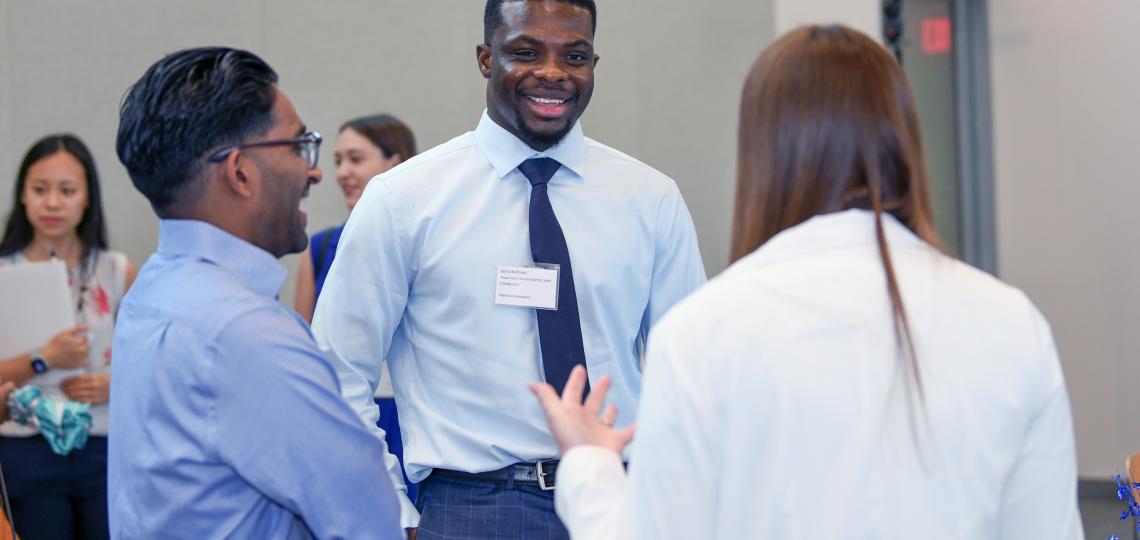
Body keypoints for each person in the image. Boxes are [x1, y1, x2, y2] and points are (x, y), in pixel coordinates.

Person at [530, 25, 1083, 539]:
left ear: (762, 155)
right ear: (905, 142)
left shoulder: (706, 333)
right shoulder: (1012, 323)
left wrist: (590, 467)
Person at [312, 0, 707, 537]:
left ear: (594, 63)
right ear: (485, 58)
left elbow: (686, 374)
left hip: (621, 500)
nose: (553, 73)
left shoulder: (650, 199)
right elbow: (336, 372)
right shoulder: (404, 200)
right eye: (526, 52)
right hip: (471, 507)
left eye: (574, 56)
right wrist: (392, 513)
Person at [110, 47, 403, 539]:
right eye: (299, 147)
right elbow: (367, 521)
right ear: (240, 172)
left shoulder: (151, 291)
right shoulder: (246, 333)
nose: (315, 173)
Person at [0, 134, 137, 540]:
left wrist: (112, 384)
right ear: (22, 194)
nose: (53, 203)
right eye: (40, 189)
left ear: (88, 197)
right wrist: (43, 357)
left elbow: (154, 363)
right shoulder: (5, 272)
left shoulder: (117, 270)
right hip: (28, 446)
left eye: (67, 190)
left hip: (102, 444)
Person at [293, 113, 420, 502]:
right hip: (346, 413)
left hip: (412, 418)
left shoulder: (424, 243)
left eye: (356, 159)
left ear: (395, 163)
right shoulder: (319, 248)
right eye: (338, 161)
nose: (343, 172)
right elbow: (305, 350)